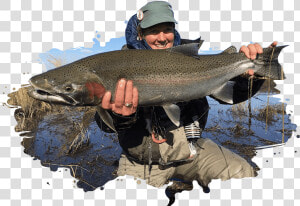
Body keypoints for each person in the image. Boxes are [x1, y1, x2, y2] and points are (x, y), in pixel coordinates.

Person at [95, 1, 277, 196]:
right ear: (140, 34)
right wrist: (121, 117)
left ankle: (185, 182)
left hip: (192, 153)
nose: (162, 38)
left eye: (167, 29)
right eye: (154, 31)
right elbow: (105, 126)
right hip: (143, 163)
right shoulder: (119, 65)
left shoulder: (191, 59)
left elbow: (230, 96)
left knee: (245, 175)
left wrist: (252, 73)